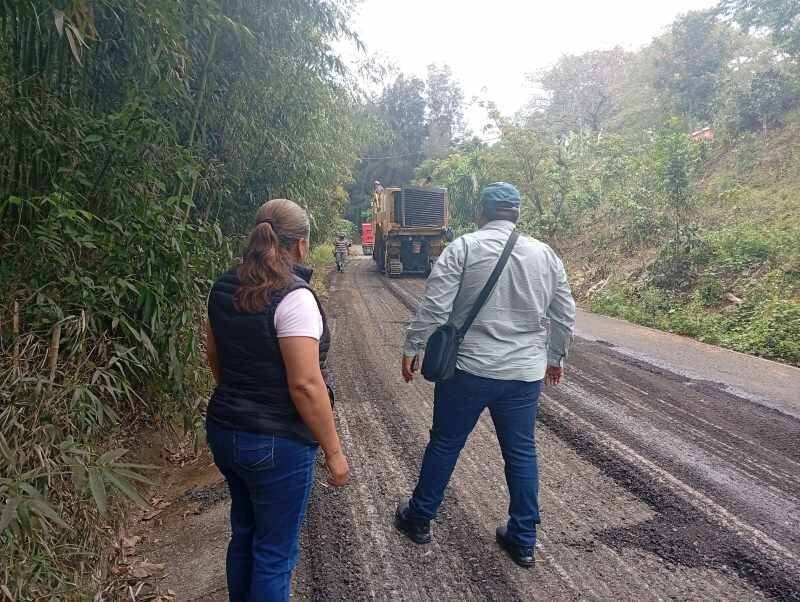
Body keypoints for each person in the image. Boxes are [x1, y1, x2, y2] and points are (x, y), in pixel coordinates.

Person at [395, 182, 576, 568]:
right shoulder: (546, 254)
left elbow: (436, 307)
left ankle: (420, 518)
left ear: (481, 212)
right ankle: (523, 538)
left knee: (445, 443)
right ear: (517, 215)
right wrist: (555, 357)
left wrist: (413, 346)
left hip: (468, 369)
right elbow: (564, 313)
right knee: (522, 452)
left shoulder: (463, 248)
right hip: (524, 374)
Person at [205, 198, 350, 601]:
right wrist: (334, 451)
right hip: (276, 442)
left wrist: (238, 398)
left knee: (245, 535)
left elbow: (214, 357)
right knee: (274, 553)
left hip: (224, 430)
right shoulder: (294, 298)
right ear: (301, 245)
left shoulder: (223, 284)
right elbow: (305, 384)